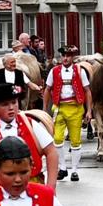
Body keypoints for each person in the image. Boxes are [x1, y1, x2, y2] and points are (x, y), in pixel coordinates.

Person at [0, 83, 57, 189]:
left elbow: (51, 152)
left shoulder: (31, 124)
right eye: (5, 104)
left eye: (14, 102)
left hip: (32, 186)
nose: (11, 108)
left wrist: (51, 185)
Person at [43, 45, 91, 182]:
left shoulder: (79, 71)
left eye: (68, 56)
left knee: (75, 141)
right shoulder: (54, 71)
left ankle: (75, 170)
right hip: (59, 108)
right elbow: (47, 89)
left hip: (76, 108)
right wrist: (45, 108)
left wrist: (89, 111)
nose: (65, 58)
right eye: (63, 55)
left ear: (73, 57)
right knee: (57, 139)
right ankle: (63, 168)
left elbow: (87, 90)